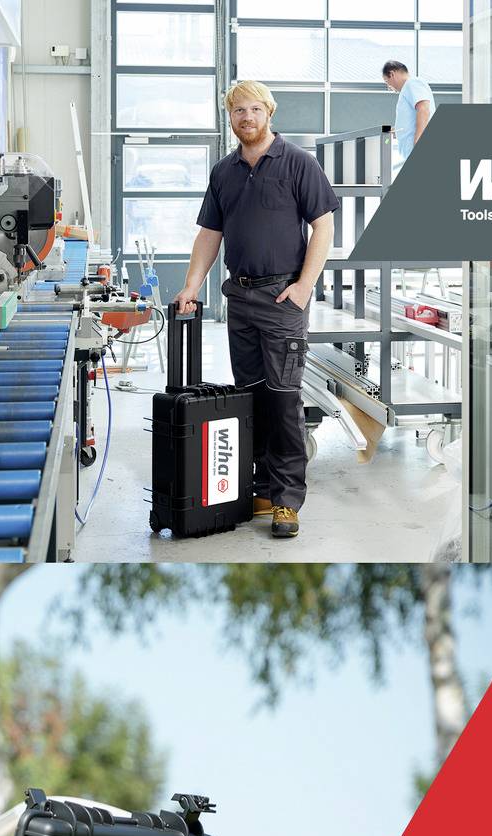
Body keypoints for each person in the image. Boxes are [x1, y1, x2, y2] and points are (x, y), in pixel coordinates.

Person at [172, 82, 339, 538]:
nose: (246, 117)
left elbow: (323, 226)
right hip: (240, 299)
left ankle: (287, 501)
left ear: (269, 112)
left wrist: (305, 286)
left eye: (254, 109)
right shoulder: (224, 171)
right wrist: (191, 285)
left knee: (284, 398)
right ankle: (262, 488)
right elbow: (210, 233)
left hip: (283, 298)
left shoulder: (298, 163)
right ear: (229, 117)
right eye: (237, 110)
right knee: (250, 396)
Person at [382, 60, 435, 162]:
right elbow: (410, 122)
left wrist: (418, 139)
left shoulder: (412, 83)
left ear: (392, 74)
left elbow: (424, 109)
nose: (389, 87)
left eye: (386, 82)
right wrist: (396, 130)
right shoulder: (407, 89)